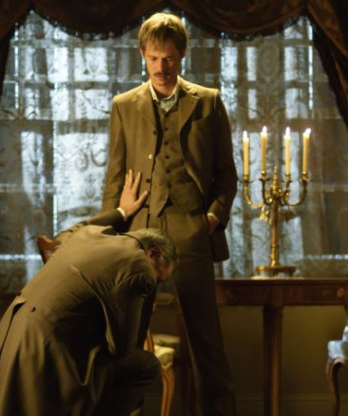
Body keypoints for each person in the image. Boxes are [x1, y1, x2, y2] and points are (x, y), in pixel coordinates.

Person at [101, 11, 238, 416]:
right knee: (128, 338)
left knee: (206, 340)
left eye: (170, 58)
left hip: (191, 229)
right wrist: (111, 232)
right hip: (139, 231)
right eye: (154, 58)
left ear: (182, 56)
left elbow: (226, 173)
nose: (162, 67)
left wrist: (211, 218)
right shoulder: (124, 106)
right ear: (143, 55)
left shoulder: (208, 102)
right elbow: (114, 176)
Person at [0, 170, 178, 416]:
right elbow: (122, 348)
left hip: (11, 335)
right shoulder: (138, 266)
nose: (154, 285)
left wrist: (121, 212)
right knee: (145, 365)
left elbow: (66, 233)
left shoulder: (88, 235)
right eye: (159, 278)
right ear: (153, 252)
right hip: (48, 352)